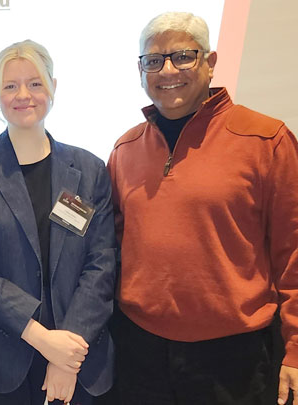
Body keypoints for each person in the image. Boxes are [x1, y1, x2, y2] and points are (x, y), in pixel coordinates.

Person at [107, 11, 298, 404]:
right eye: (154, 61)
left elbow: (293, 253)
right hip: (140, 354)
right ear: (140, 70)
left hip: (234, 361)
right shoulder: (125, 149)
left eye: (183, 56)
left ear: (210, 63)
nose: (167, 71)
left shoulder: (266, 140)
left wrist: (296, 349)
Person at [0, 40, 116, 405]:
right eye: (10, 86)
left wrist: (66, 356)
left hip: (77, 361)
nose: (23, 95)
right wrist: (42, 339)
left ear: (53, 87)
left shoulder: (89, 170)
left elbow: (101, 266)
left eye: (35, 83)